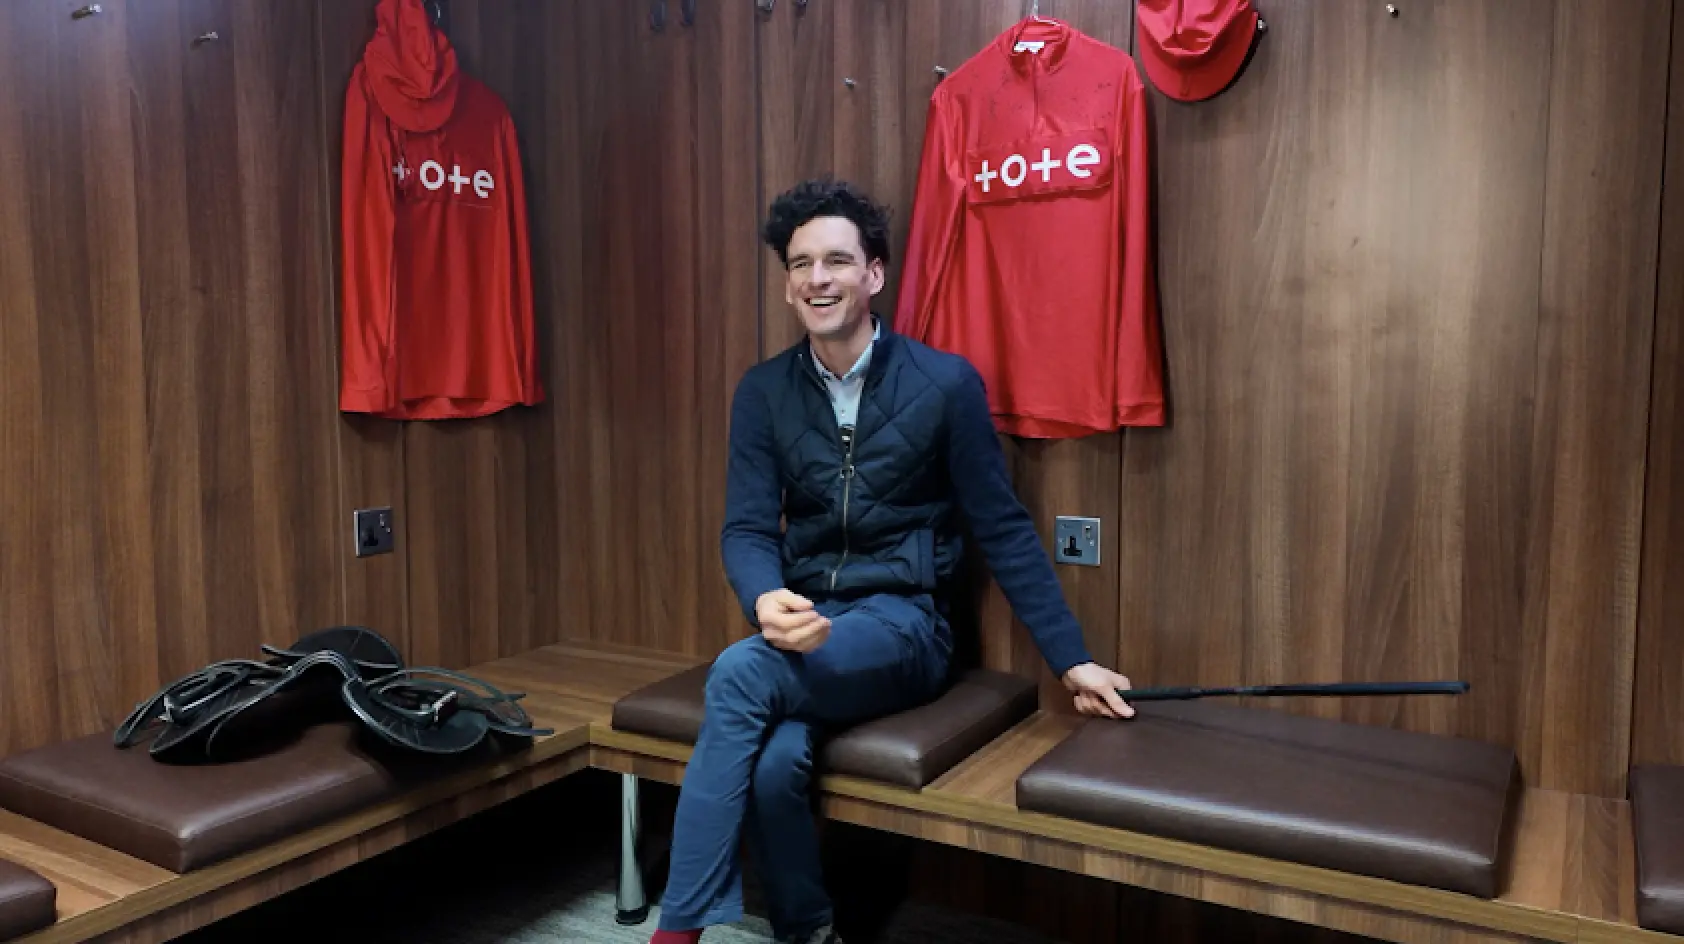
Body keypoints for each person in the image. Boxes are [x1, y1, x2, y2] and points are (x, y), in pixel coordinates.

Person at [649, 179, 1136, 944]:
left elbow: (1003, 529)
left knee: (738, 674)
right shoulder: (764, 391)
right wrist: (765, 596)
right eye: (801, 264)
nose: (818, 279)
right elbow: (746, 528)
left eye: (837, 261)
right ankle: (809, 931)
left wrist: (1071, 660)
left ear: (874, 274)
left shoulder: (944, 384)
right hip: (809, 626)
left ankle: (676, 932)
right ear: (788, 284)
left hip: (907, 627)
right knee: (774, 766)